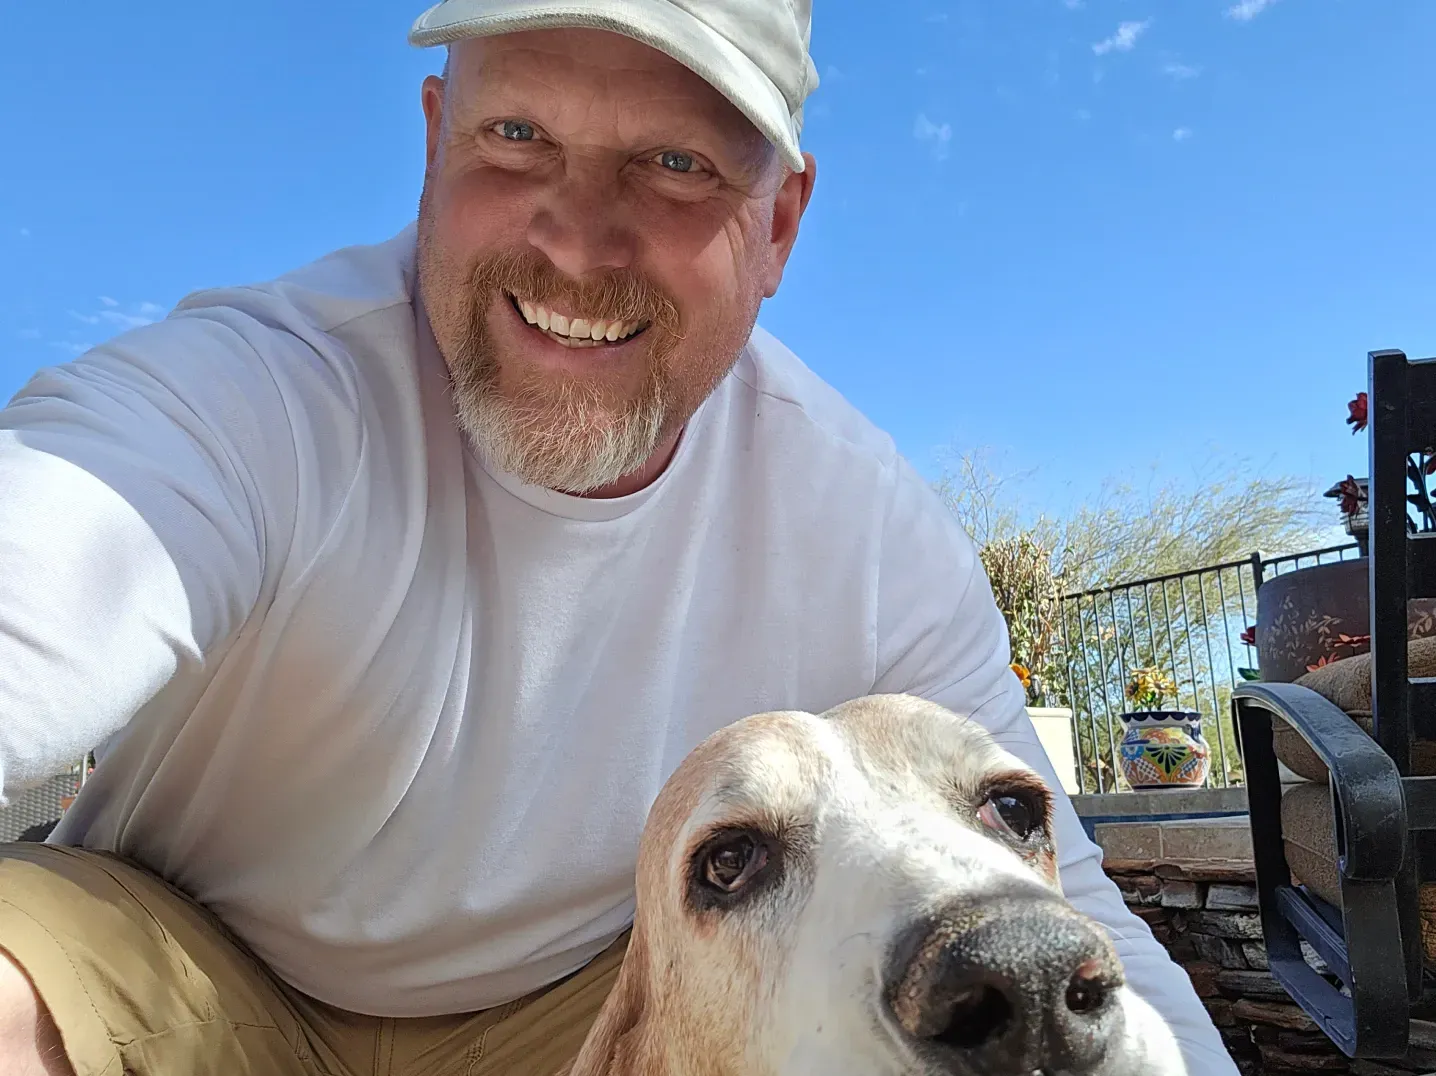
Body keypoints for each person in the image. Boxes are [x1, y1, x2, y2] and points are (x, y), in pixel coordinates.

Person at [0, 1, 1237, 1073]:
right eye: (516, 136)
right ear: (434, 141)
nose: (576, 243)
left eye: (674, 163)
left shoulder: (863, 526)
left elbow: (1071, 903)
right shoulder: (254, 398)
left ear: (778, 224)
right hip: (186, 963)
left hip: (577, 1007)